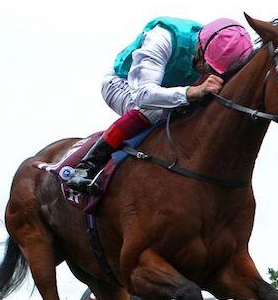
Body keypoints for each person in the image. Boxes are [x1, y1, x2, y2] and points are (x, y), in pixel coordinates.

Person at [66, 17, 254, 194]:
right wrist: (191, 92)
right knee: (154, 110)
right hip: (124, 86)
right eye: (207, 64)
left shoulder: (216, 47)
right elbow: (144, 95)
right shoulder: (162, 37)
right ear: (200, 46)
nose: (207, 70)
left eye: (214, 70)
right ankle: (87, 166)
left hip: (167, 94)